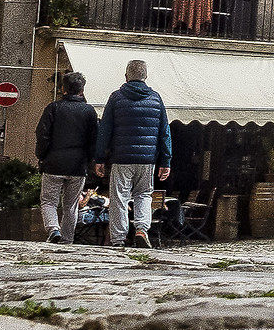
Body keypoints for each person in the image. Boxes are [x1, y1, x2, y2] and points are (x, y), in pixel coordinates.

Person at [94, 58, 171, 250]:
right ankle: (141, 230)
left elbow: (105, 129)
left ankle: (118, 238)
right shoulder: (155, 98)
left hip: (122, 158)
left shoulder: (116, 98)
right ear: (145, 76)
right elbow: (165, 132)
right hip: (147, 159)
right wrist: (166, 161)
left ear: (126, 76)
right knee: (144, 194)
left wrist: (100, 158)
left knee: (119, 197)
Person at [34, 72, 101, 243]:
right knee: (71, 205)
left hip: (54, 163)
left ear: (63, 89)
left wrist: (42, 156)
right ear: (82, 90)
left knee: (48, 201)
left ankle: (53, 229)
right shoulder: (89, 111)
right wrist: (90, 160)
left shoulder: (53, 108)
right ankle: (67, 239)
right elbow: (94, 139)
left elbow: (42, 134)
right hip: (78, 166)